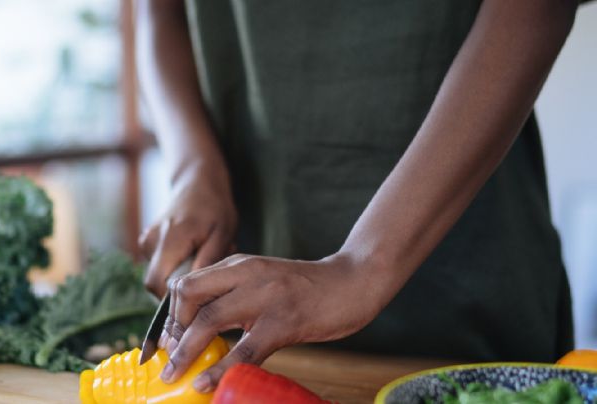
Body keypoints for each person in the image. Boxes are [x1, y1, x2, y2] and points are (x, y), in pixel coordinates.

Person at [135, 0, 578, 394]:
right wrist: (192, 165)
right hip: (248, 323)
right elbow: (157, 10)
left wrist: (364, 266)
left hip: (466, 294)